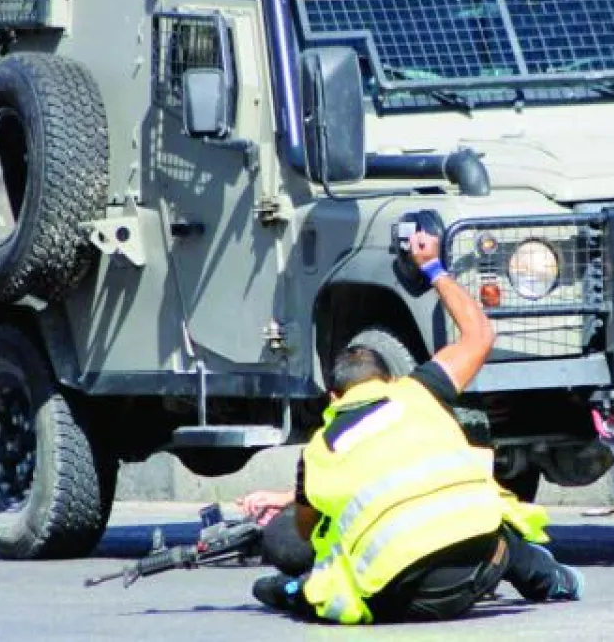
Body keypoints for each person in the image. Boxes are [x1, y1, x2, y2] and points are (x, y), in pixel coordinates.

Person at [236, 224, 583, 623]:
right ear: (388, 380)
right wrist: (433, 266)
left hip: (404, 600)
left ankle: (290, 591)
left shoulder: (319, 451)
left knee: (324, 576)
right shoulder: (419, 391)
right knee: (501, 532)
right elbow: (480, 334)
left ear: (334, 397)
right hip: (482, 566)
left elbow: (311, 526)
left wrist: (291, 503)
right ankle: (557, 581)